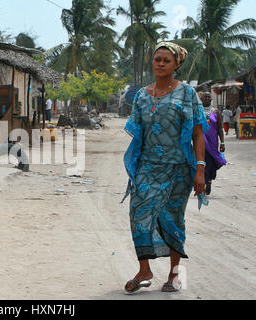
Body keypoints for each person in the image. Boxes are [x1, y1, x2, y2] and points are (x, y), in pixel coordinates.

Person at [122, 42, 208, 294]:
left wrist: (200, 170)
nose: (160, 63)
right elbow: (137, 133)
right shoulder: (141, 95)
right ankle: (144, 269)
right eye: (157, 59)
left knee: (173, 219)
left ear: (176, 64)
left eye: (166, 60)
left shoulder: (186, 94)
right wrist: (135, 167)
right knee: (138, 214)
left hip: (178, 169)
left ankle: (173, 274)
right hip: (147, 167)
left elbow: (198, 134)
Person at [199, 92, 226, 195]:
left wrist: (222, 142)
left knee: (211, 162)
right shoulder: (197, 111)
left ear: (211, 99)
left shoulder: (216, 112)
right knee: (201, 162)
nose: (207, 98)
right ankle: (203, 183)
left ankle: (209, 181)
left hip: (213, 142)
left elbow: (220, 128)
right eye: (205, 97)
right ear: (201, 99)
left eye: (209, 97)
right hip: (200, 142)